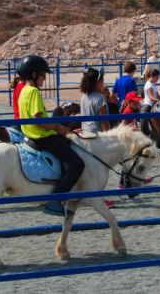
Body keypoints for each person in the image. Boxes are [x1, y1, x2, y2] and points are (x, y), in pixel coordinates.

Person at [17, 55, 85, 217]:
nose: (44, 79)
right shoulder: (33, 92)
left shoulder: (24, 91)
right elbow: (39, 120)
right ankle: (55, 201)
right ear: (34, 75)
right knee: (77, 164)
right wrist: (58, 127)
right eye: (43, 75)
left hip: (31, 136)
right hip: (43, 137)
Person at [79, 67, 110, 133]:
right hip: (97, 135)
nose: (103, 84)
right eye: (102, 81)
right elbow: (103, 122)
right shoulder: (100, 98)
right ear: (98, 82)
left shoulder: (83, 97)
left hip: (85, 132)